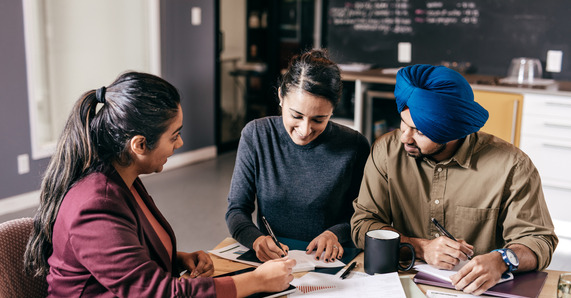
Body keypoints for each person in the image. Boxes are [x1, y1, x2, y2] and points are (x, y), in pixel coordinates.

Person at [24, 72, 295, 297]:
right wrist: (256, 281)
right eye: (174, 136)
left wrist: (177, 259)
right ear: (139, 145)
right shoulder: (97, 204)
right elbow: (159, 293)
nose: (180, 144)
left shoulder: (121, 178)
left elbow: (122, 257)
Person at [350, 64, 558, 295]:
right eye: (403, 123)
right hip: (397, 285)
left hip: (475, 290)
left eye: (419, 131)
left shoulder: (512, 166)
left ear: (452, 132)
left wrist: (502, 260)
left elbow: (539, 240)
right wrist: (421, 248)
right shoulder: (385, 152)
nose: (404, 138)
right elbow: (363, 225)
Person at [225, 49, 370, 263]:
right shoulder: (256, 135)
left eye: (319, 120)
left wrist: (335, 234)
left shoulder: (354, 145)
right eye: (296, 116)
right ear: (281, 97)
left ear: (333, 110)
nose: (304, 130)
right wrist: (256, 240)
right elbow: (237, 209)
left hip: (330, 261)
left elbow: (363, 215)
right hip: (275, 261)